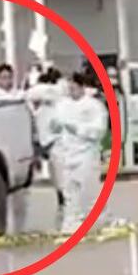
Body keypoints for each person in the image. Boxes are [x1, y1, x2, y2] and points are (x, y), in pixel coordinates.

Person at [49, 71, 108, 234]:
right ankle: (70, 224)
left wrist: (78, 129)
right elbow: (53, 128)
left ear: (81, 87)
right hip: (67, 154)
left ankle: (96, 223)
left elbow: (98, 131)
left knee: (88, 190)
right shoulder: (62, 106)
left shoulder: (94, 106)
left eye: (74, 87)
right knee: (69, 191)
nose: (71, 91)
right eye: (69, 88)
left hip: (86, 154)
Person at [25, 67, 67, 210]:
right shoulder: (46, 102)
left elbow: (32, 94)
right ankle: (62, 195)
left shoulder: (55, 93)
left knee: (59, 170)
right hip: (47, 137)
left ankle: (63, 196)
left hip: (53, 137)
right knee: (57, 171)